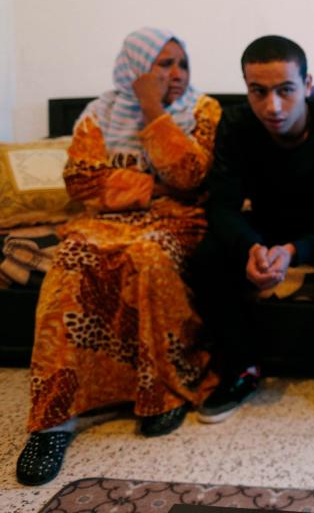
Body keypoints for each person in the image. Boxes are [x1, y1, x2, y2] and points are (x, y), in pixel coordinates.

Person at [16, 27, 221, 486]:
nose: (175, 74)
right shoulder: (100, 112)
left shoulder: (203, 110)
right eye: (162, 64)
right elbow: (84, 183)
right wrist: (154, 185)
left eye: (181, 63)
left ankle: (162, 394)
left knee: (150, 258)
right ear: (135, 67)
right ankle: (53, 420)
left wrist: (152, 110)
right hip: (101, 224)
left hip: (176, 221)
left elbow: (191, 176)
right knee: (70, 265)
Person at [192, 35, 314, 425]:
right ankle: (242, 367)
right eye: (258, 92)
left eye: (285, 90)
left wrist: (294, 251)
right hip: (267, 223)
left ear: (308, 86)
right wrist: (250, 247)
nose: (272, 106)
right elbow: (222, 205)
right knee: (205, 257)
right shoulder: (237, 123)